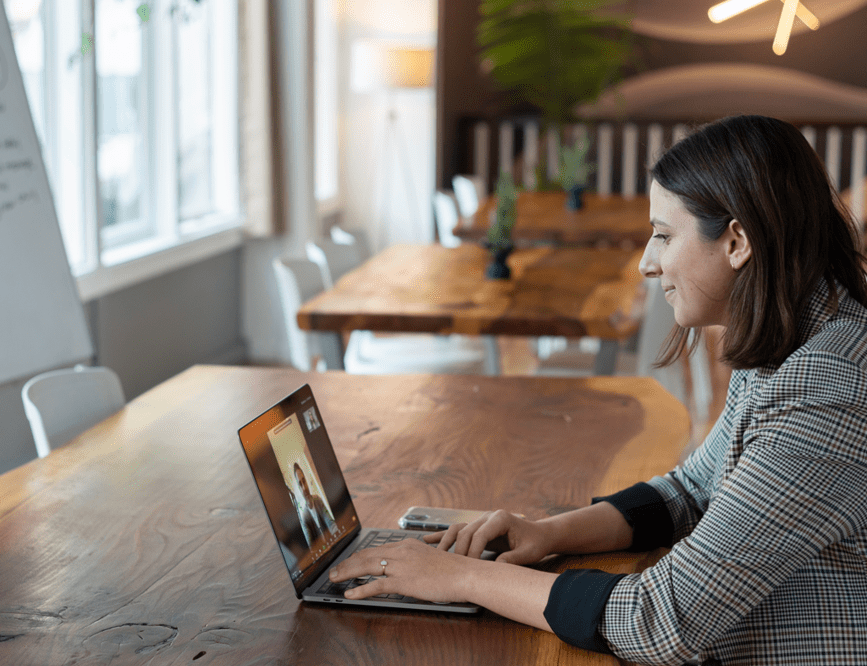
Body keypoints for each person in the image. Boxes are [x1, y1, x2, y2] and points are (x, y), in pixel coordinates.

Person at [327, 115, 867, 665]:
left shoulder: (827, 386)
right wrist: (547, 532)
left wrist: (461, 578)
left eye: (663, 235)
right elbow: (692, 490)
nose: (646, 263)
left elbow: (661, 620)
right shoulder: (794, 335)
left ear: (736, 242)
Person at [292, 462, 335, 546]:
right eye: (300, 484)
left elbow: (331, 524)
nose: (304, 487)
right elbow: (310, 545)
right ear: (298, 488)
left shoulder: (317, 499)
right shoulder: (304, 516)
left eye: (304, 481)